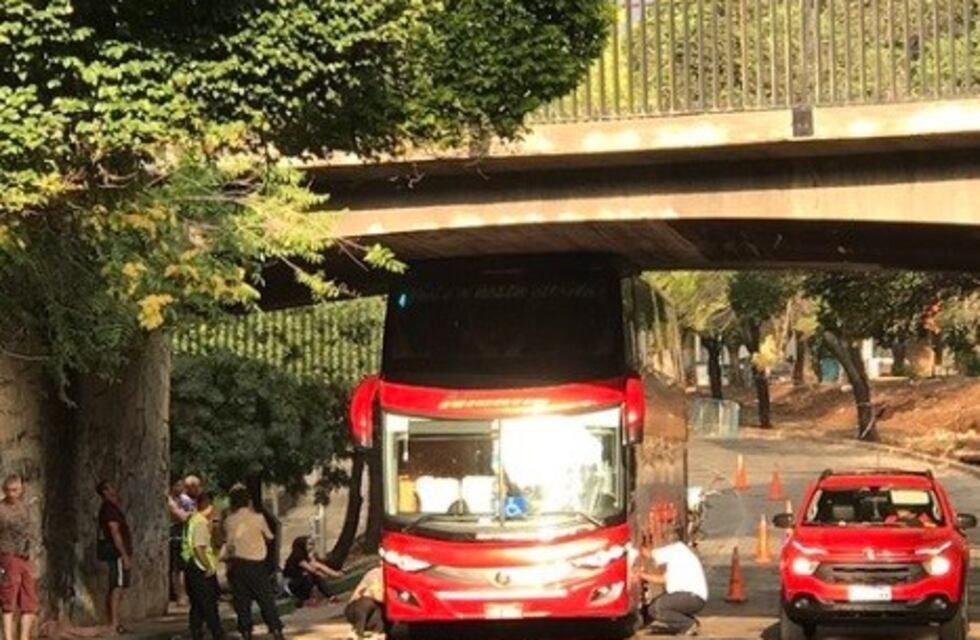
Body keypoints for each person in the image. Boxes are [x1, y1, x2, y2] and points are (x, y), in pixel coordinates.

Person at [223, 485, 285, 640]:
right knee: (265, 599)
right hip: (257, 564)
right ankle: (275, 628)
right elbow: (270, 537)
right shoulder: (258, 518)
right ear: (248, 501)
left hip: (238, 565)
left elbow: (228, 543)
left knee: (242, 602)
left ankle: (246, 632)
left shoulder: (229, 521)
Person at [641, 531, 708, 636]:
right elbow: (663, 579)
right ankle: (688, 622)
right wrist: (643, 575)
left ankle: (687, 624)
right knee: (658, 604)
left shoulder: (675, 550)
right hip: (695, 599)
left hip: (690, 597)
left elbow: (649, 554)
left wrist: (635, 548)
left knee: (656, 608)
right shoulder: (681, 553)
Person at [182, 492, 225, 640]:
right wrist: (208, 567)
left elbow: (217, 544)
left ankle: (196, 632)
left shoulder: (194, 520)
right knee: (209, 605)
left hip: (192, 567)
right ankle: (218, 634)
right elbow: (198, 548)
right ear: (209, 506)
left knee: (198, 606)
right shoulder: (200, 523)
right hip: (200, 568)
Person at [0, 474, 38, 640]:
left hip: (26, 556)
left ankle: (24, 638)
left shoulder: (26, 506)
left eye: (15, 490)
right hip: (8, 555)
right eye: (9, 490)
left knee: (29, 600)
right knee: (8, 599)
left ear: (21, 490)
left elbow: (31, 532)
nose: (12, 494)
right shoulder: (1, 509)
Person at [96, 481, 133, 635]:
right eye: (110, 488)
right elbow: (114, 532)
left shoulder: (112, 508)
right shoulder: (109, 509)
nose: (114, 490)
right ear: (104, 491)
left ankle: (116, 621)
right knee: (116, 587)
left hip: (119, 552)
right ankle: (114, 623)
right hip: (116, 553)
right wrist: (123, 554)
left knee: (120, 586)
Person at [283, 537, 342, 606]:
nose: (312, 546)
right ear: (302, 545)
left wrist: (333, 574)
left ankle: (331, 596)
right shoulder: (297, 557)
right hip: (291, 584)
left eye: (312, 544)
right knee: (309, 575)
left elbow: (318, 566)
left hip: (301, 581)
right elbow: (312, 569)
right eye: (309, 544)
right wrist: (328, 574)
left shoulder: (306, 556)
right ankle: (304, 599)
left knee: (312, 576)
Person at [344, 567, 384, 639]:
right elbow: (376, 595)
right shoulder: (375, 574)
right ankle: (357, 630)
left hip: (375, 614)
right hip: (356, 609)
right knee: (367, 602)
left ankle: (375, 632)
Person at [168, 479, 188, 606]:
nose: (181, 487)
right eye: (178, 485)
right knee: (176, 569)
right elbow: (182, 517)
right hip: (174, 537)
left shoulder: (184, 499)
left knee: (185, 568)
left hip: (185, 537)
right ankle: (179, 595)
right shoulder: (169, 501)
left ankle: (186, 593)